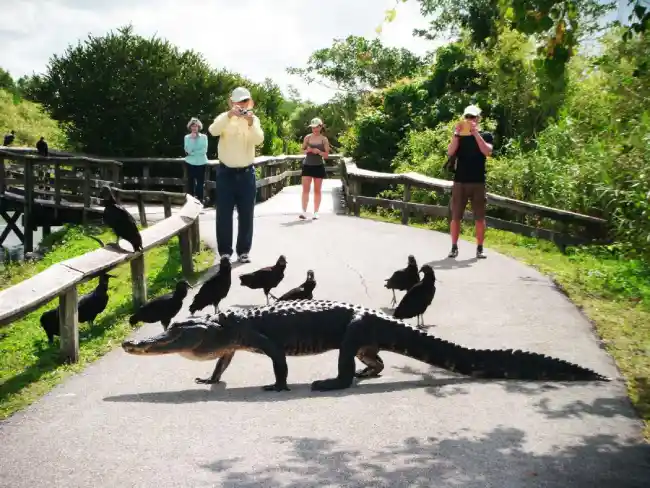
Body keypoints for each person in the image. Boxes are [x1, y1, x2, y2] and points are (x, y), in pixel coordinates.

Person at [208, 86, 264, 263]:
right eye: (238, 101)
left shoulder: (254, 121)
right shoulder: (224, 118)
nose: (242, 105)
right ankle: (225, 252)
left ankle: (243, 251)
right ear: (232, 102)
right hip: (226, 173)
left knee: (246, 214)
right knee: (223, 214)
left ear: (250, 102)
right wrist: (229, 116)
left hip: (247, 174)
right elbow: (213, 130)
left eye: (245, 101)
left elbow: (259, 139)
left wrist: (250, 123)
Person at [445, 104, 494, 259]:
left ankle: (479, 248)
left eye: (473, 117)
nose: (469, 120)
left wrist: (475, 134)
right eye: (467, 117)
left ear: (478, 119)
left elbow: (487, 151)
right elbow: (450, 152)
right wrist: (456, 135)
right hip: (460, 181)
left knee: (479, 217)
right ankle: (454, 247)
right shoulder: (459, 137)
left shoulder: (486, 135)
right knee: (455, 217)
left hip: (478, 181)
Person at [299, 117, 330, 220]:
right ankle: (304, 211)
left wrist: (319, 152)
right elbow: (301, 151)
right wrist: (307, 150)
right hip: (307, 165)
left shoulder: (324, 139)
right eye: (313, 128)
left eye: (317, 127)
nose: (315, 130)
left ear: (321, 127)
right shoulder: (307, 137)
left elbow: (326, 155)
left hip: (318, 166)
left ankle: (316, 212)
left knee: (317, 191)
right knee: (305, 190)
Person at [183, 117, 209, 203]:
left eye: (196, 126)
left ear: (199, 127)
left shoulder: (204, 137)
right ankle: (190, 202)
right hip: (190, 163)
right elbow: (188, 151)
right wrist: (193, 140)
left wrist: (193, 152)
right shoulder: (187, 137)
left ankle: (200, 201)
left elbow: (204, 150)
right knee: (190, 183)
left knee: (200, 183)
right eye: (193, 126)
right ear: (190, 127)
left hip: (201, 163)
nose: (194, 128)